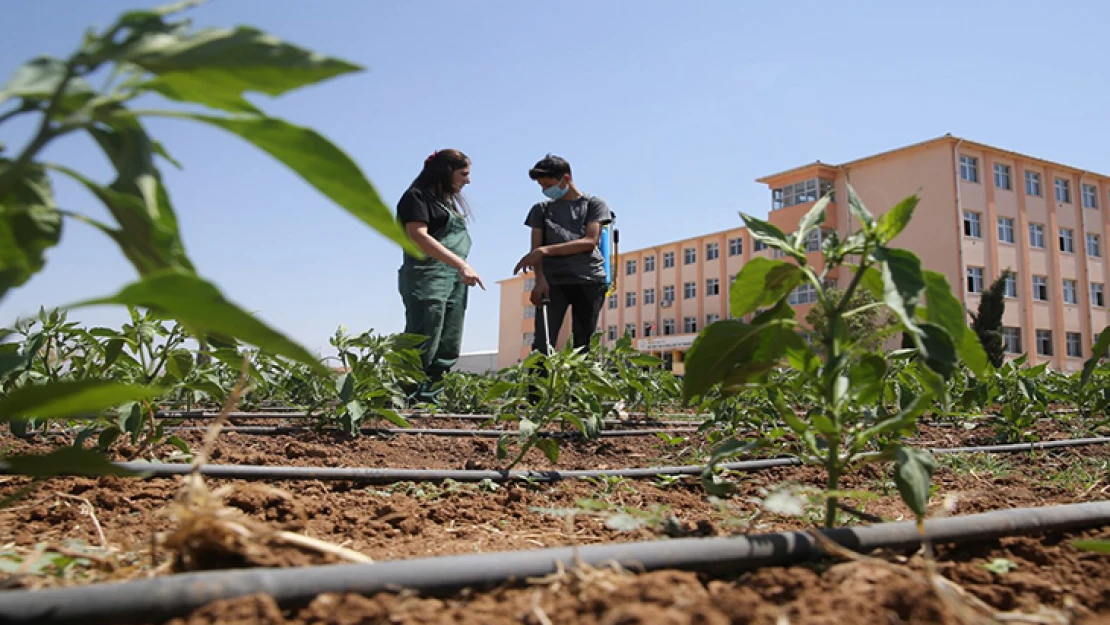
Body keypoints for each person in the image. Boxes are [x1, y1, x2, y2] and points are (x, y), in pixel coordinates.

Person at [397, 149, 485, 404]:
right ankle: (403, 396)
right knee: (424, 335)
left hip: (454, 277)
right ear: (446, 172)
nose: (467, 180)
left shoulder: (444, 204)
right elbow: (418, 236)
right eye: (464, 174)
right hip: (427, 276)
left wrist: (459, 269)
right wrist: (461, 264)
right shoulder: (415, 197)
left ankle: (429, 397)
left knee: (448, 339)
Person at [514, 154, 612, 355]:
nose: (545, 190)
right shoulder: (541, 210)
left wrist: (545, 250)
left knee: (583, 344)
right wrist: (539, 280)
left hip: (589, 280)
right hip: (553, 283)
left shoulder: (594, 204)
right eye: (541, 186)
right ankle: (538, 387)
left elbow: (590, 241)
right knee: (542, 343)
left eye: (548, 184)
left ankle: (580, 386)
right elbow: (536, 251)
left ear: (565, 179)